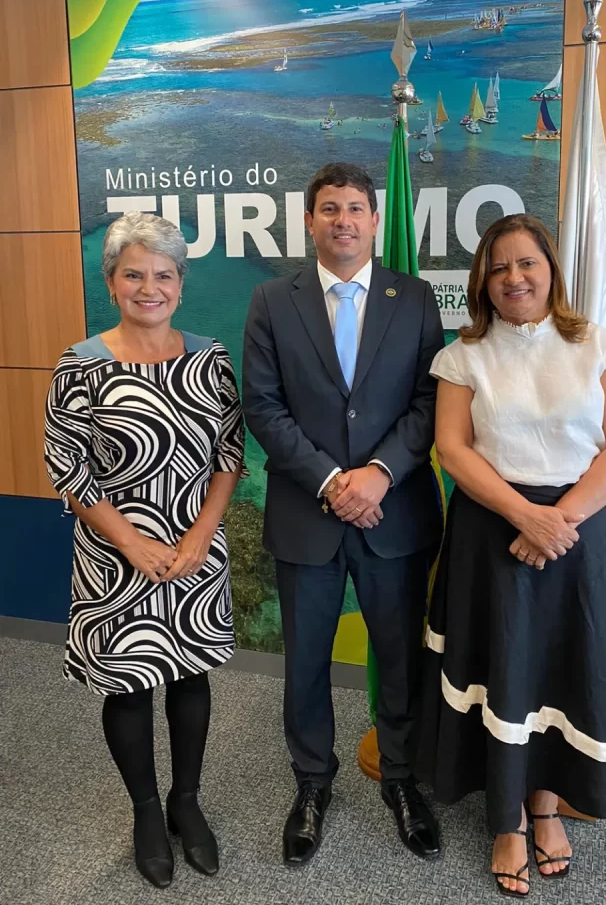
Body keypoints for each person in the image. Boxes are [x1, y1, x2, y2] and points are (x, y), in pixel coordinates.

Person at [416, 214, 606, 898]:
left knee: (559, 671)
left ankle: (545, 807)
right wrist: (525, 517)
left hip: (577, 532)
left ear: (551, 270)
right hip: (492, 531)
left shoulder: (600, 344)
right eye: (498, 267)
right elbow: (453, 449)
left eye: (527, 264)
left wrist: (557, 522)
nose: (513, 278)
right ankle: (508, 821)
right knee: (503, 672)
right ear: (482, 280)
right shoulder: (463, 355)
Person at [242, 162, 444, 866]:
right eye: (330, 208)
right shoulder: (273, 300)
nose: (344, 220)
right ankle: (311, 784)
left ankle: (402, 779)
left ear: (375, 220)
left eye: (356, 207)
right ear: (309, 221)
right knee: (305, 663)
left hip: (395, 515)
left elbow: (431, 401)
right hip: (309, 516)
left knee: (401, 657)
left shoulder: (414, 297)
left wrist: (379, 474)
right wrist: (333, 481)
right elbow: (262, 406)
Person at [44, 213, 247, 889]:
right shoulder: (81, 364)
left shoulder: (210, 358)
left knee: (190, 677)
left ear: (181, 285)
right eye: (134, 274)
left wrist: (200, 536)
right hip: (116, 557)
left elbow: (229, 456)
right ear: (111, 283)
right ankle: (146, 812)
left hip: (193, 552)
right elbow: (68, 467)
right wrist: (132, 543)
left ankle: (186, 801)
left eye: (163, 275)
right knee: (128, 688)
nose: (149, 287)